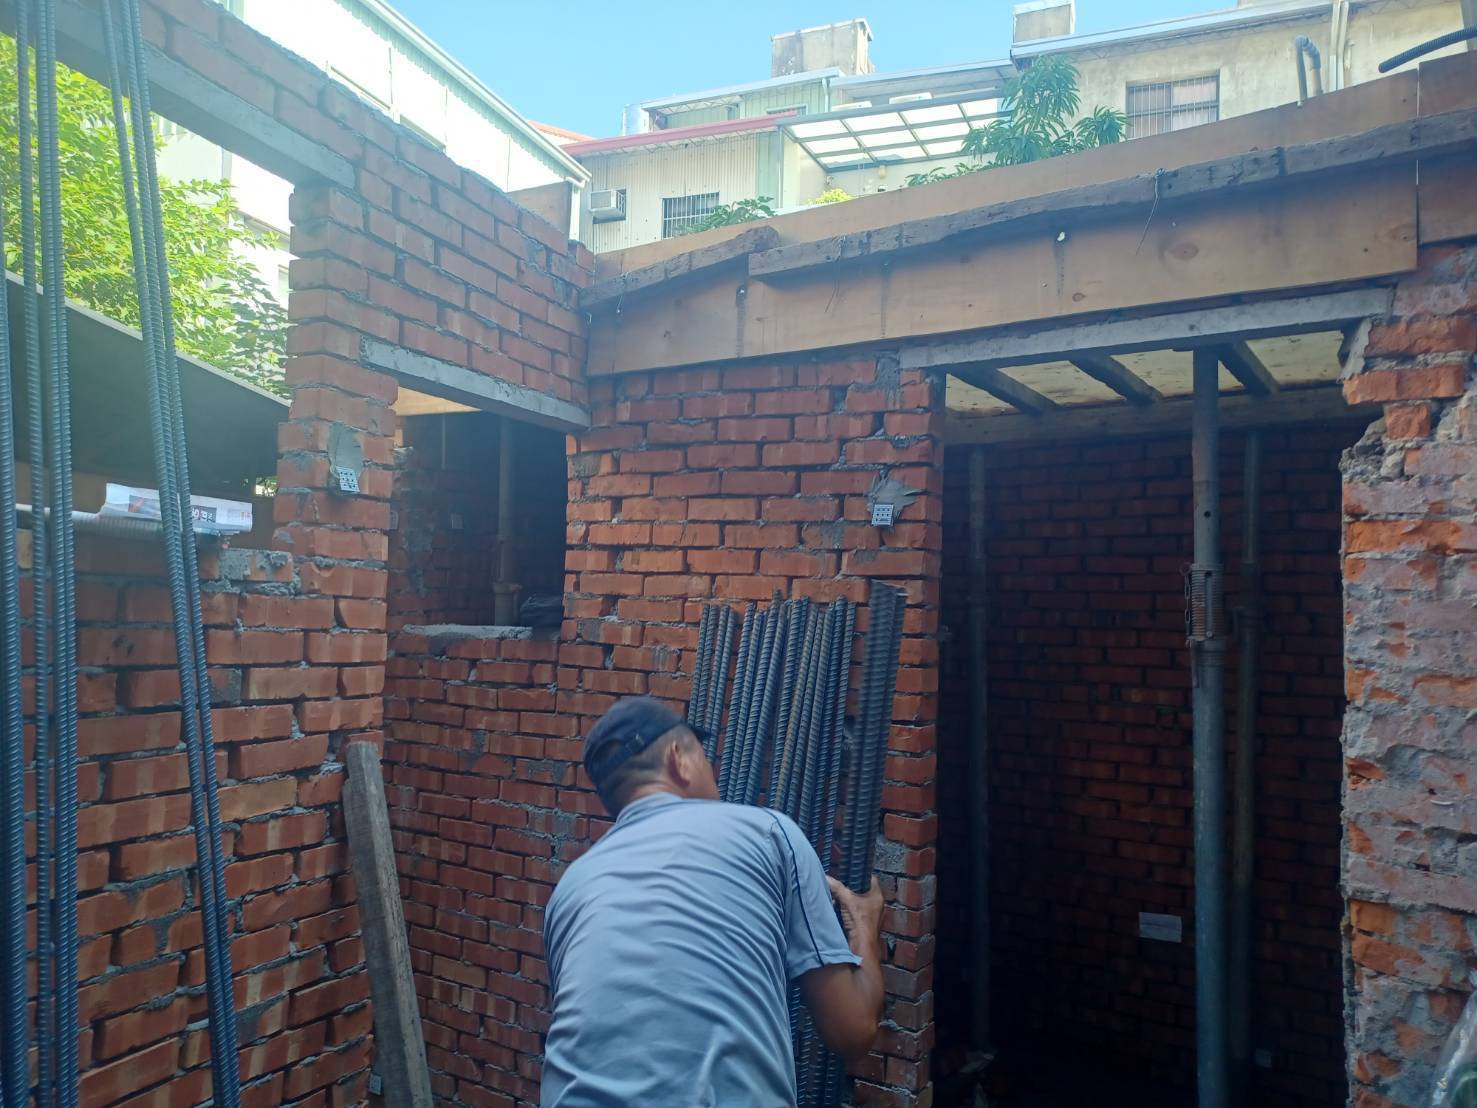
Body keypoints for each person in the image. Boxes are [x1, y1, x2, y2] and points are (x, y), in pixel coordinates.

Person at [540, 696, 885, 1107]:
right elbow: (852, 1032)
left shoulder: (570, 890)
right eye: (705, 757)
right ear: (678, 759)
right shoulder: (769, 834)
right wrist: (865, 929)